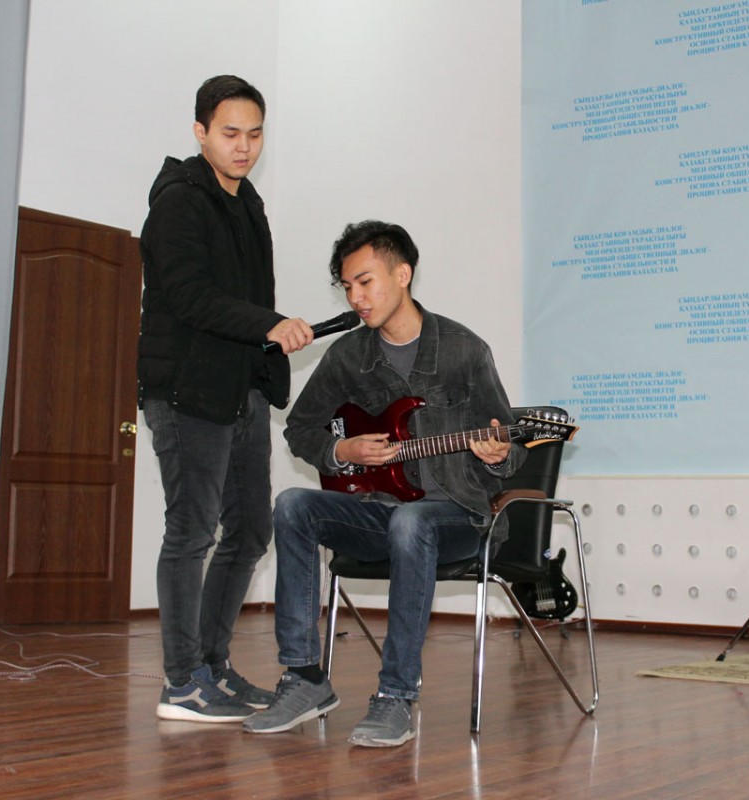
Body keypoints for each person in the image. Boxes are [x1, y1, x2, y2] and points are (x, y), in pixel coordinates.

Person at [244, 220, 526, 746]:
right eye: (347, 286)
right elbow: (302, 428)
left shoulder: (464, 350)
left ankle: (396, 695)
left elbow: (510, 451)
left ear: (402, 274)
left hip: (459, 518)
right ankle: (304, 678)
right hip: (380, 510)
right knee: (293, 505)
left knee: (413, 520)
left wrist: (499, 453)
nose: (355, 297)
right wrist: (342, 451)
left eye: (365, 282)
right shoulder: (349, 355)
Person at [138, 75, 315, 723]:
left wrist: (268, 344)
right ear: (201, 132)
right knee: (192, 532)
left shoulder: (249, 205)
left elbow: (247, 300)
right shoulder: (180, 202)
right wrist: (269, 324)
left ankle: (212, 666)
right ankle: (182, 682)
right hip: (187, 391)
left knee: (250, 530)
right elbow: (190, 297)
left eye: (255, 134)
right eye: (230, 133)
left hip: (241, 390)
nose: (244, 147)